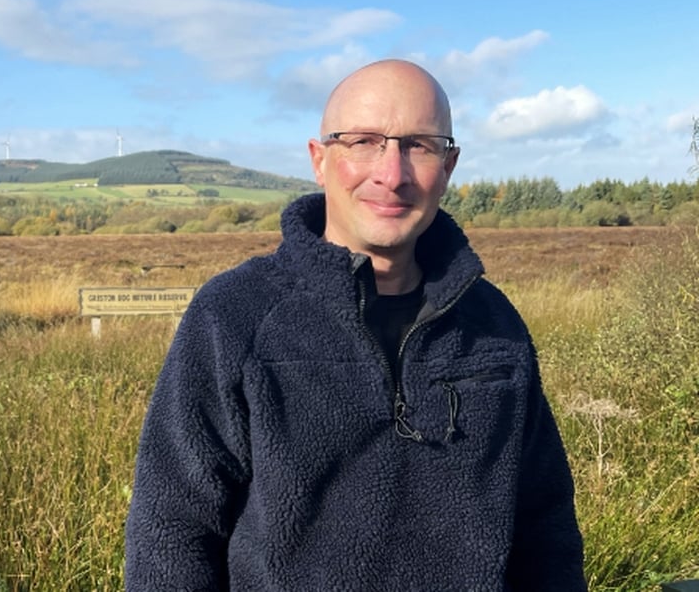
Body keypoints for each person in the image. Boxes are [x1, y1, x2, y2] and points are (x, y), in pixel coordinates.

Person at [123, 59, 585, 590]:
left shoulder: (493, 324)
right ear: (319, 160)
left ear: (449, 165)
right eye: (363, 141)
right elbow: (172, 532)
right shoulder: (234, 315)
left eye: (420, 145)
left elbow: (544, 526)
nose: (392, 174)